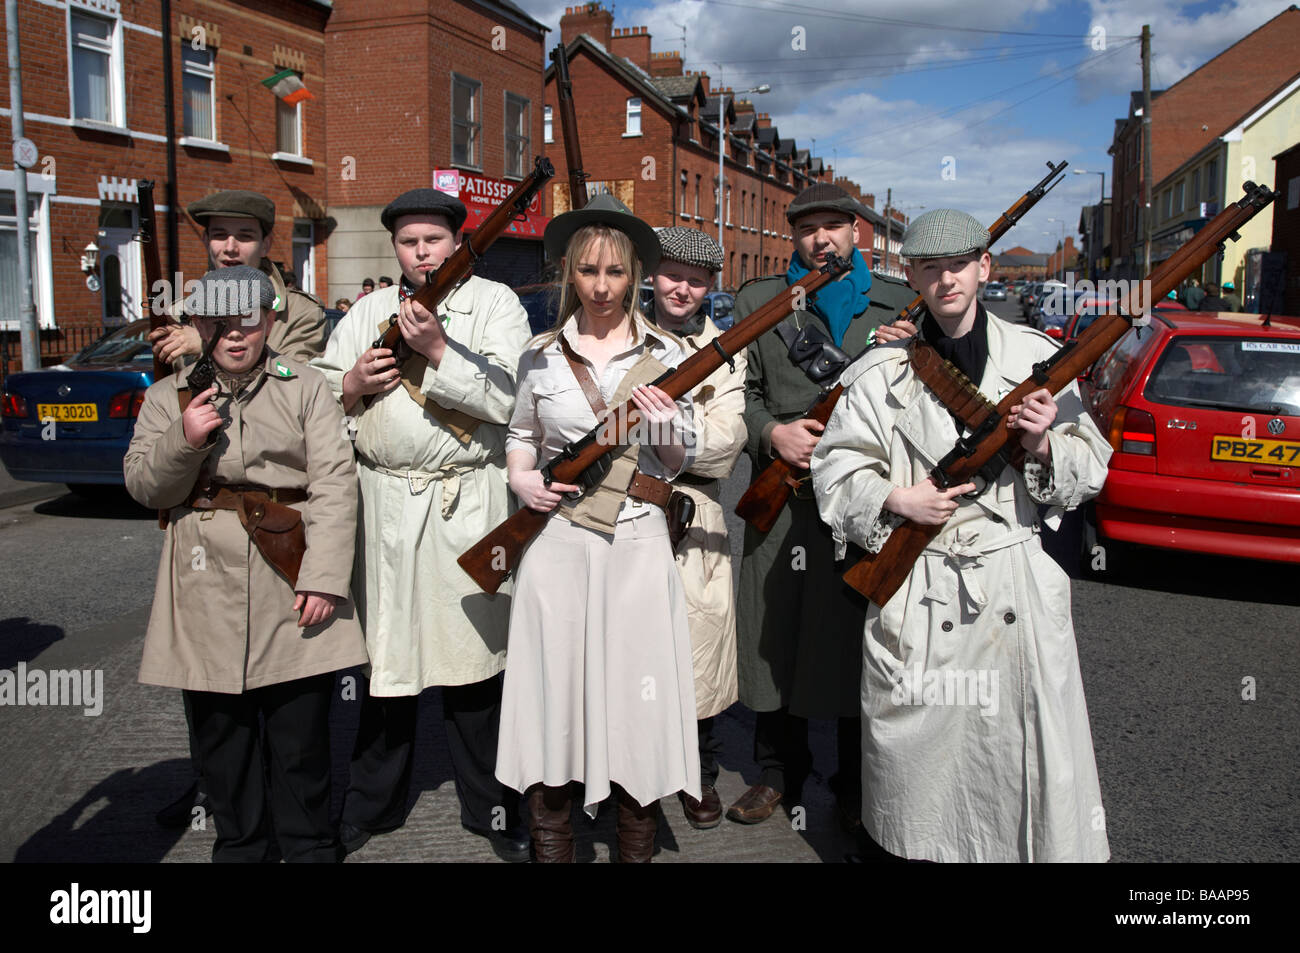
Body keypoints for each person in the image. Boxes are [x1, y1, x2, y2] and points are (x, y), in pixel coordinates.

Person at [811, 209, 1112, 862]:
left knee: (1015, 774)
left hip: (1013, 585)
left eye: (958, 263)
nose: (945, 278)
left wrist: (1040, 444)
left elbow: (1090, 468)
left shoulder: (1039, 358)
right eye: (929, 266)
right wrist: (897, 498)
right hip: (920, 587)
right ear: (911, 274)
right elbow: (833, 467)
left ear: (984, 267)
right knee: (920, 784)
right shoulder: (878, 371)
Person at [312, 189, 532, 862]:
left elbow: (516, 399)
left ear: (456, 241)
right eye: (408, 242)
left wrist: (438, 350)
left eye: (432, 240)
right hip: (384, 505)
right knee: (387, 667)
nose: (421, 252)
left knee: (475, 670)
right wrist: (350, 382)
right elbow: (316, 400)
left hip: (464, 502)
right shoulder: (368, 312)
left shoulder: (497, 304)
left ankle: (492, 805)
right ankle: (372, 804)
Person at [124, 266, 367, 862]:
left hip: (291, 571)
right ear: (199, 325)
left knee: (300, 739)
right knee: (222, 742)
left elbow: (335, 484)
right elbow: (143, 486)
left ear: (270, 321)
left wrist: (325, 578)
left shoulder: (306, 386)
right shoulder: (168, 396)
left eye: (248, 321)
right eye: (220, 323)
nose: (236, 335)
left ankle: (309, 848)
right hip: (203, 581)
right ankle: (241, 849)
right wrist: (184, 439)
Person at [496, 195, 700, 862]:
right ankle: (551, 834)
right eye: (589, 271)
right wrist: (521, 478)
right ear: (569, 275)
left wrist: (667, 424)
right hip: (557, 542)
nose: (603, 287)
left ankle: (634, 839)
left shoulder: (668, 352)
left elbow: (677, 461)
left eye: (616, 272)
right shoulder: (541, 354)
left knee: (637, 694)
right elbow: (521, 433)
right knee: (556, 685)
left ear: (636, 274)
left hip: (638, 541)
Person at [728, 183, 917, 829]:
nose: (822, 238)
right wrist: (769, 432)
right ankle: (778, 770)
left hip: (867, 502)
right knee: (774, 633)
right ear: (794, 236)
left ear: (857, 232)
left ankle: (857, 778)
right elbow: (739, 393)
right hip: (784, 497)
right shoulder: (759, 303)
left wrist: (912, 351)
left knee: (857, 637)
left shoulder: (898, 304)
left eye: (834, 225)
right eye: (808, 228)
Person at [643, 226, 745, 830]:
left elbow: (726, 444)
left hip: (694, 514)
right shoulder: (620, 336)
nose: (683, 288)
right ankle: (628, 774)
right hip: (622, 504)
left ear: (711, 286)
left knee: (697, 654)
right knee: (631, 649)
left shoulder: (726, 348)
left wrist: (674, 425)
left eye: (697, 279)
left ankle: (696, 775)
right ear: (652, 276)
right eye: (672, 274)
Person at [151, 191, 328, 367]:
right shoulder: (179, 313)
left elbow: (296, 380)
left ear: (265, 245)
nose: (230, 248)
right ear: (206, 241)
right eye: (220, 235)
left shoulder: (301, 312)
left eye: (245, 237)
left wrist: (207, 344)